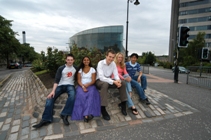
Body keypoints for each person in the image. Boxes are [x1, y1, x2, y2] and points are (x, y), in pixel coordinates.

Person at [33, 54, 76, 128]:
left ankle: (64, 114)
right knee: (50, 98)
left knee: (72, 96)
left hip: (70, 85)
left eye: (71, 60)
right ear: (66, 60)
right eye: (68, 60)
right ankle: (46, 119)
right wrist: (53, 91)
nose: (70, 61)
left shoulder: (76, 68)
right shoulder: (61, 68)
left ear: (73, 60)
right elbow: (56, 80)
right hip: (60, 85)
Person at [95, 49, 128, 121]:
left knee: (123, 83)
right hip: (99, 81)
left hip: (108, 81)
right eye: (110, 57)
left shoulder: (113, 64)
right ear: (106, 56)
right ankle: (103, 108)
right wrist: (113, 82)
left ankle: (123, 104)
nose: (111, 59)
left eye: (113, 57)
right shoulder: (100, 63)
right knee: (105, 84)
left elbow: (116, 75)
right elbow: (101, 77)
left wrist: (118, 81)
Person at [71, 56, 101, 122]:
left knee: (90, 96)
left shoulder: (92, 69)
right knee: (80, 95)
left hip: (90, 85)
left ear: (89, 61)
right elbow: (78, 80)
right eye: (84, 60)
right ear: (83, 61)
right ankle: (84, 114)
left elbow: (93, 80)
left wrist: (87, 85)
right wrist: (83, 86)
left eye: (87, 60)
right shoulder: (80, 70)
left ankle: (86, 115)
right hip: (81, 85)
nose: (86, 61)